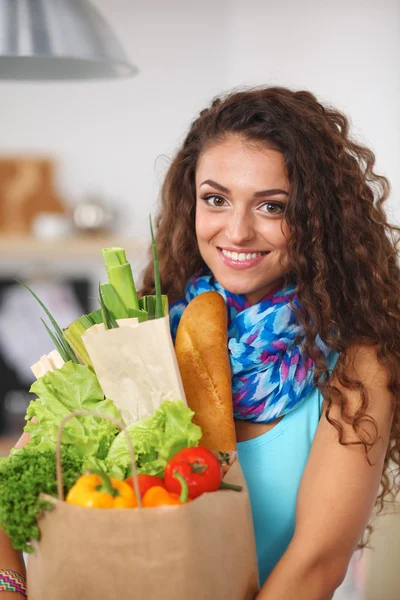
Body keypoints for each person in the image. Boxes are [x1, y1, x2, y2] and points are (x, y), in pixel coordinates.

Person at [140, 86, 400, 599]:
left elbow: (316, 562)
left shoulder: (358, 363)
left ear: (317, 219)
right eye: (216, 199)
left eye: (272, 207)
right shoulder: (150, 329)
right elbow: (21, 492)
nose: (236, 232)